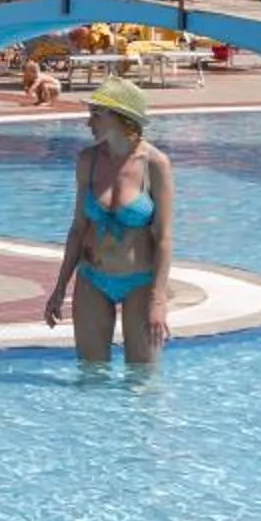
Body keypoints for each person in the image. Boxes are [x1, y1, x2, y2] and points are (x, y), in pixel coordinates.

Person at [45, 76, 174, 365]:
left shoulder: (155, 165)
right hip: (92, 278)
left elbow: (164, 238)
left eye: (96, 115)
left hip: (140, 281)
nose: (88, 123)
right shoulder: (87, 161)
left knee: (141, 380)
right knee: (91, 375)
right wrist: (59, 289)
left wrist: (158, 299)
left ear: (120, 118)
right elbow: (78, 230)